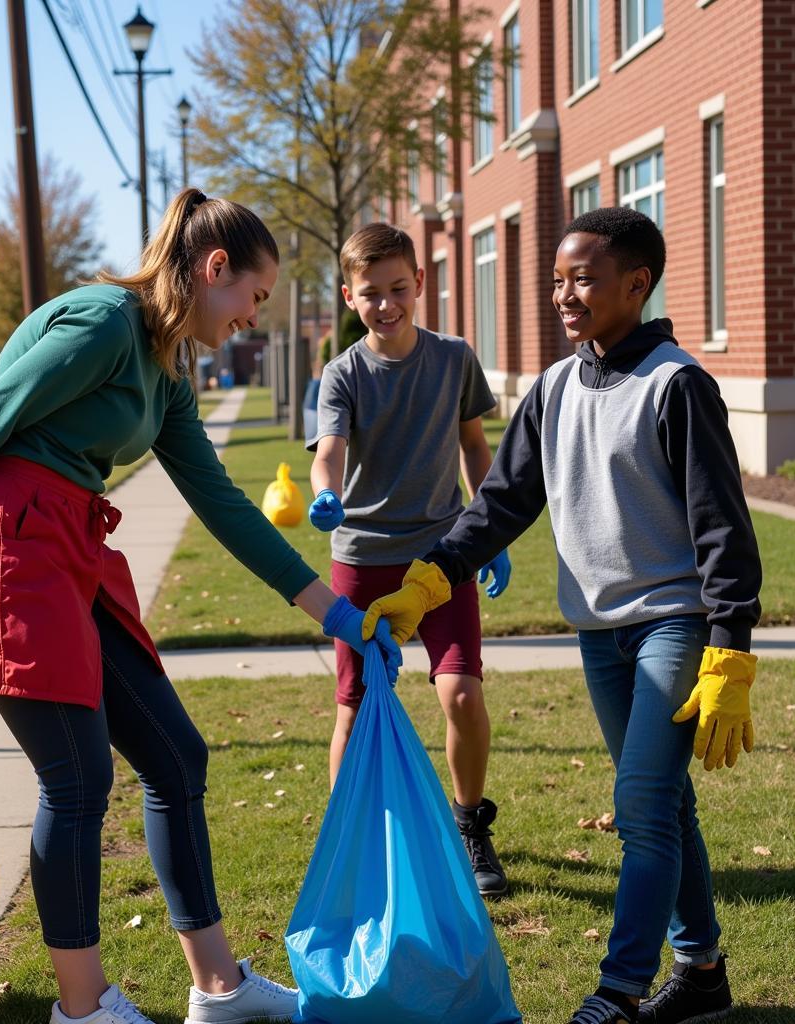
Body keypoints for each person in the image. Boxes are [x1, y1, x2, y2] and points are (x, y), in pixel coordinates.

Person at [0, 187, 400, 1024]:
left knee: (174, 756)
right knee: (78, 779)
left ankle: (220, 988)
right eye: (253, 298)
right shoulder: (101, 326)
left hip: (71, 549)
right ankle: (82, 1009)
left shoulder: (166, 374)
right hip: (11, 549)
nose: (252, 318)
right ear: (213, 268)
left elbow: (227, 508)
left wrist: (335, 614)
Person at [361, 207, 762, 1024]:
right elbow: (499, 504)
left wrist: (730, 651)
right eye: (556, 280)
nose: (563, 296)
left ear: (636, 285)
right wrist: (429, 580)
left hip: (673, 625)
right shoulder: (551, 388)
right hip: (600, 632)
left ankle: (618, 990)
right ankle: (704, 973)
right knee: (668, 806)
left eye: (582, 278)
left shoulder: (678, 384)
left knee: (644, 808)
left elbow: (724, 527)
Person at [306, 222, 512, 898]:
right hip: (362, 560)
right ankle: (352, 841)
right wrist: (326, 494)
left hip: (443, 554)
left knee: (461, 692)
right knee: (356, 706)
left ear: (421, 283)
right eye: (371, 294)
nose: (387, 304)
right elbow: (329, 450)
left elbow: (476, 448)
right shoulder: (342, 373)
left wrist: (489, 530)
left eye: (398, 288)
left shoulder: (454, 359)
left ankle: (470, 826)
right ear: (348, 297)